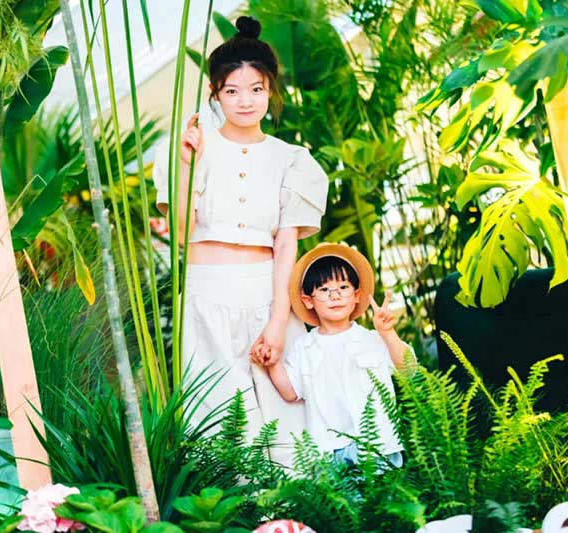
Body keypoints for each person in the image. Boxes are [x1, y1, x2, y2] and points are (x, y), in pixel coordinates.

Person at [152, 16, 329, 466]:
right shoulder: (192, 147)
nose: (245, 100)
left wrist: (278, 320)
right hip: (205, 294)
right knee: (217, 418)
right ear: (215, 94)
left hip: (265, 293)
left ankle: (293, 505)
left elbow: (286, 245)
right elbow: (181, 232)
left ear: (270, 90)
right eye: (232, 90)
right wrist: (187, 164)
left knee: (284, 418)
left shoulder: (292, 160)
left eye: (255, 88)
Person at [265, 242, 406, 466]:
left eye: (343, 287)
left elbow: (408, 368)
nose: (335, 296)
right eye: (324, 290)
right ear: (308, 300)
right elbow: (290, 391)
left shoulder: (372, 340)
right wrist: (272, 363)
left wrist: (388, 333)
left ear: (357, 295)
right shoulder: (304, 347)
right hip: (329, 452)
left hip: (377, 446)